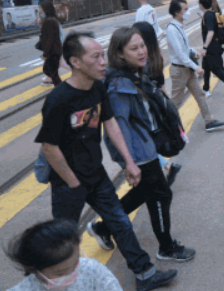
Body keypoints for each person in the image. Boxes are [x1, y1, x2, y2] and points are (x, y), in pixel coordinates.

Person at [35, 32, 178, 291]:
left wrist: (130, 163)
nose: (104, 62)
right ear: (75, 62)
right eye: (96, 57)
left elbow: (110, 123)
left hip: (97, 175)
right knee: (64, 240)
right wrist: (72, 181)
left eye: (103, 55)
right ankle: (57, 284)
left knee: (121, 224)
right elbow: (49, 146)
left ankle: (145, 275)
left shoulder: (98, 88)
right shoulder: (59, 100)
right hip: (67, 182)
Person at [87, 27, 196, 263]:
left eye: (142, 46)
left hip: (145, 145)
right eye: (133, 48)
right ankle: (166, 247)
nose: (141, 51)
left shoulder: (134, 74)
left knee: (147, 192)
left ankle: (103, 227)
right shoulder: (118, 86)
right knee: (160, 195)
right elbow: (118, 127)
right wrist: (129, 162)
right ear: (119, 53)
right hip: (138, 151)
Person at [6, 219, 123, 291]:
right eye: (60, 273)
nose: (73, 274)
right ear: (33, 269)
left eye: (76, 263)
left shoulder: (92, 270)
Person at [166, 0, 224, 132]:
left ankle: (209, 121)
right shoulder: (172, 29)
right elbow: (181, 54)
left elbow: (185, 48)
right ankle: (167, 126)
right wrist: (197, 68)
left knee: (199, 94)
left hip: (187, 69)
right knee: (176, 102)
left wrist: (195, 52)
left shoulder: (179, 26)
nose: (188, 12)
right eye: (185, 9)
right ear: (177, 12)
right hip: (180, 70)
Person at [132, 21, 182, 186]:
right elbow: (162, 87)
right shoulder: (156, 57)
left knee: (141, 142)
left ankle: (165, 166)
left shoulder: (141, 61)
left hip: (142, 108)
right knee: (149, 141)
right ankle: (165, 166)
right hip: (156, 107)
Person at [38, 1, 63, 87]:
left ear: (46, 9)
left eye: (41, 8)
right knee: (51, 73)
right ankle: (61, 90)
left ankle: (62, 91)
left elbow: (49, 40)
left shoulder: (49, 21)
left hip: (52, 52)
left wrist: (46, 54)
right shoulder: (52, 20)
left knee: (51, 73)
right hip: (55, 51)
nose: (39, 10)